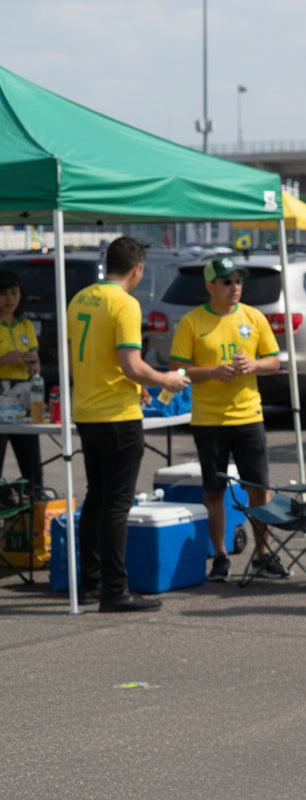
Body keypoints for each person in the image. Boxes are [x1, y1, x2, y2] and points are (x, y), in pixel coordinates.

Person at [68, 237, 188, 612]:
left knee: (97, 498)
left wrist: (135, 387)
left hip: (87, 411)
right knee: (117, 505)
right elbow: (131, 364)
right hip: (118, 416)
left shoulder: (80, 298)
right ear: (137, 268)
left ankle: (91, 581)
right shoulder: (125, 304)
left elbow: (82, 361)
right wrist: (166, 380)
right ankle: (114, 590)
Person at [169, 256, 284, 582]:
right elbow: (177, 370)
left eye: (238, 281)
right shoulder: (192, 322)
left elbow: (274, 361)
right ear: (210, 287)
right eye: (227, 282)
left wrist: (254, 365)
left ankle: (263, 553)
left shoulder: (253, 316)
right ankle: (220, 555)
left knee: (258, 489)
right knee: (213, 492)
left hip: (248, 416)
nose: (235, 287)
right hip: (209, 420)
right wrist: (212, 372)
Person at [0, 271, 43, 488]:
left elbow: (37, 367)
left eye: (14, 293)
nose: (10, 299)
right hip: (1, 393)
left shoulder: (25, 325)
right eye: (4, 294)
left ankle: (35, 499)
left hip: (25, 395)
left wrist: (33, 364)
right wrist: (4, 360)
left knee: (31, 461)